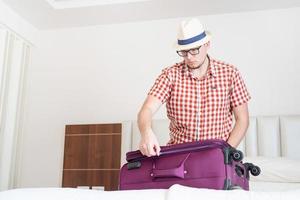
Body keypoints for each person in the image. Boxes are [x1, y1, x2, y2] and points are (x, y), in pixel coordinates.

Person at [137, 18, 250, 157]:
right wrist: (146, 132)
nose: (189, 57)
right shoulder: (170, 75)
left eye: (194, 50)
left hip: (217, 156)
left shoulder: (230, 73)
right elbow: (146, 109)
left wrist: (226, 152)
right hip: (179, 157)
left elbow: (242, 120)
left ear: (207, 44)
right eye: (184, 52)